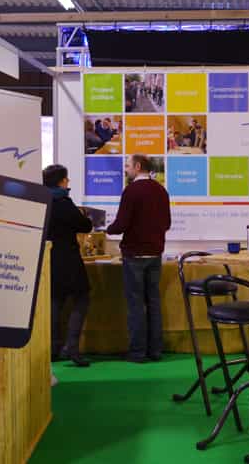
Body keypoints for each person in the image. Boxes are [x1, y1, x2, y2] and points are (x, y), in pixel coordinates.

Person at [106, 154, 171, 363]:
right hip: (155, 253)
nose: (125, 169)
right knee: (153, 302)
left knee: (135, 305)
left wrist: (105, 228)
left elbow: (121, 224)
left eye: (128, 165)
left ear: (137, 166)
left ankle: (137, 352)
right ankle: (155, 350)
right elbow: (167, 223)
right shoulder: (161, 190)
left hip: (134, 254)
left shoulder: (131, 191)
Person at [43, 164, 94, 367]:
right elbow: (85, 225)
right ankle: (72, 346)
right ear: (62, 181)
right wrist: (85, 216)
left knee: (55, 303)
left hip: (49, 259)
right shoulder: (63, 202)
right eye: (67, 179)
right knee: (82, 298)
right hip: (69, 259)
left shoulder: (41, 200)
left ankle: (52, 348)